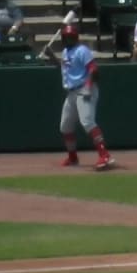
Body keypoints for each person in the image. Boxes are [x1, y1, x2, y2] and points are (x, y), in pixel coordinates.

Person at [43, 25, 115, 170]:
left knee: (87, 122)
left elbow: (93, 69)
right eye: (66, 37)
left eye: (71, 37)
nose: (68, 39)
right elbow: (65, 69)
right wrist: (51, 57)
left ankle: (105, 155)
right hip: (71, 91)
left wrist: (88, 86)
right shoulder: (65, 52)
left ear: (75, 38)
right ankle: (73, 157)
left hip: (84, 88)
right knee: (65, 126)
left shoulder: (82, 50)